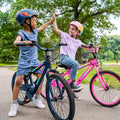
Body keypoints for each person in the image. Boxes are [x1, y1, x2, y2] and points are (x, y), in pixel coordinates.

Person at [8, 9, 55, 117]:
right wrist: (25, 42)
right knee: (19, 81)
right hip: (24, 61)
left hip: (34, 60)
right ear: (27, 22)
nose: (36, 22)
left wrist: (51, 21)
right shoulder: (22, 33)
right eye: (34, 20)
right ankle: (14, 104)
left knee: (41, 77)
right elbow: (16, 42)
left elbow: (42, 27)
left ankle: (37, 98)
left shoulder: (35, 31)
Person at [53, 12, 89, 92]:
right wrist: (54, 20)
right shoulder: (65, 36)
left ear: (78, 32)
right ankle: (73, 84)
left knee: (73, 66)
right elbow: (56, 30)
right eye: (70, 28)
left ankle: (71, 92)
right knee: (75, 64)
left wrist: (94, 47)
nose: (70, 30)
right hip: (64, 57)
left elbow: (86, 47)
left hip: (70, 59)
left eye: (73, 29)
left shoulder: (78, 42)